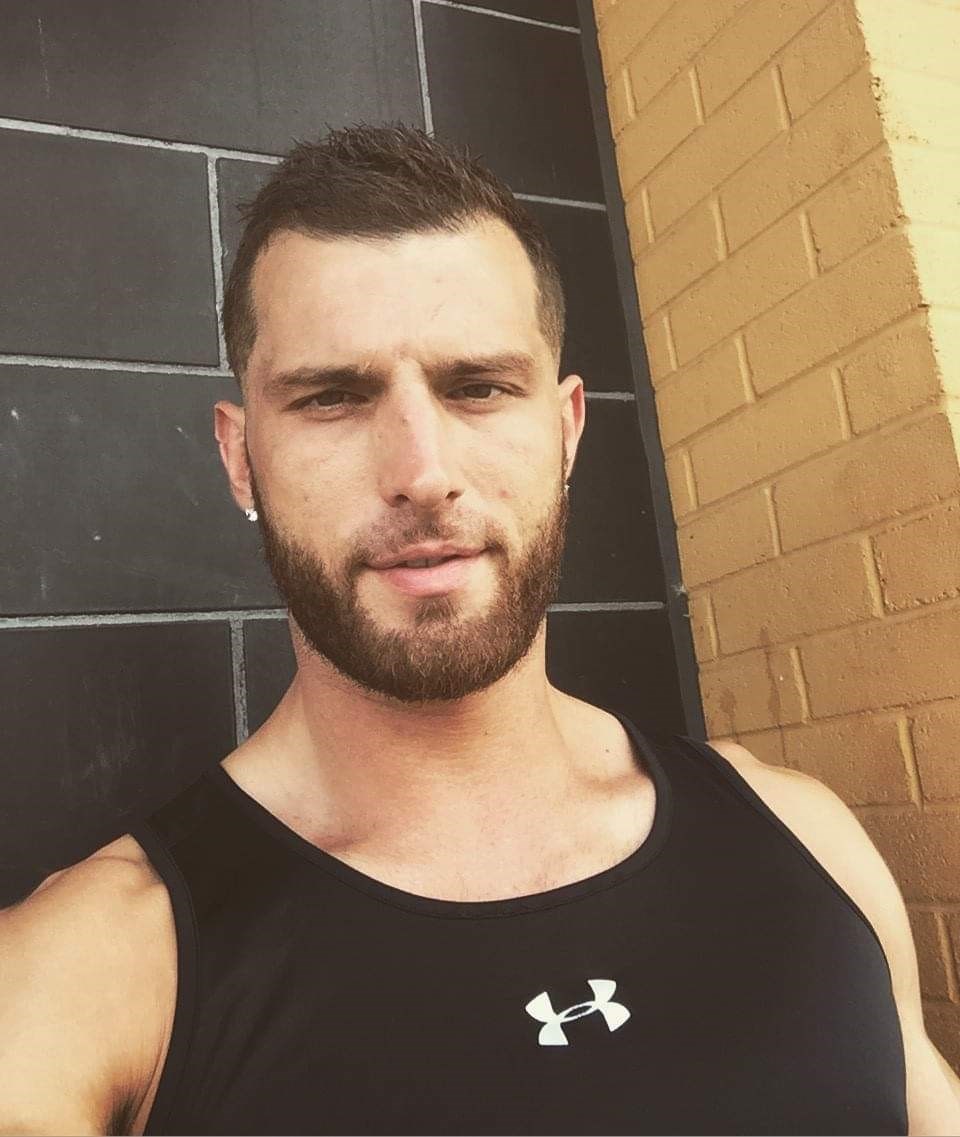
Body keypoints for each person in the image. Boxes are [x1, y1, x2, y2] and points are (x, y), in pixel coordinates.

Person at [1, 123, 958, 1137]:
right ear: (242, 459)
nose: (422, 472)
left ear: (566, 429)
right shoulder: (93, 973)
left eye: (479, 387)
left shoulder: (803, 834)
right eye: (332, 398)